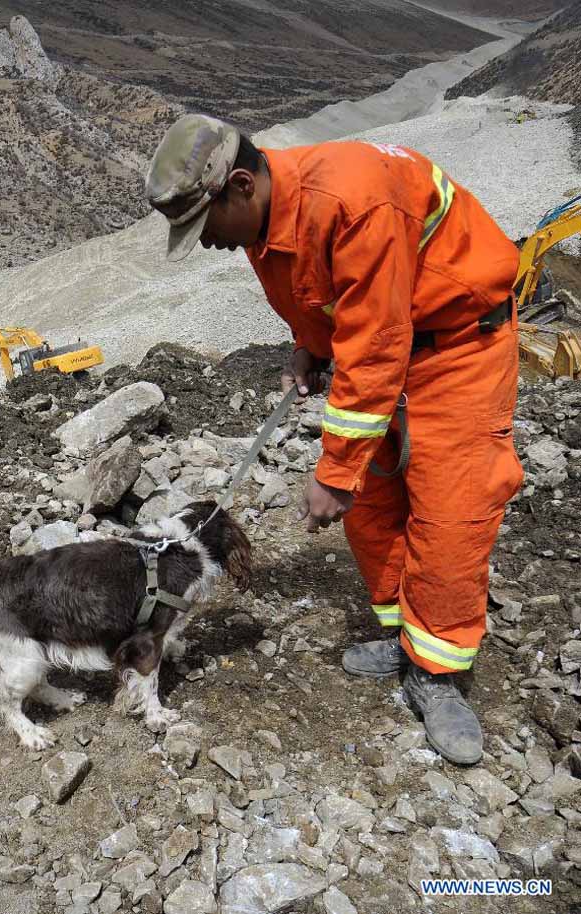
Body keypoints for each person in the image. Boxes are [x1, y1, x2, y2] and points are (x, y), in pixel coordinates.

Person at [145, 114, 524, 765]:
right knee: (375, 513)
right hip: (385, 355)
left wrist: (334, 471)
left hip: (456, 351)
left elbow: (378, 343)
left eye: (204, 226)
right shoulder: (269, 222)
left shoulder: (352, 199)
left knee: (449, 514)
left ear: (240, 185)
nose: (205, 242)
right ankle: (405, 635)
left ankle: (436, 676)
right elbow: (333, 303)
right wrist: (309, 348)